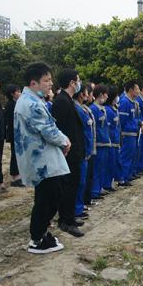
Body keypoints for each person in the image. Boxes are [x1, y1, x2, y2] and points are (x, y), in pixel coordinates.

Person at [14, 62, 70, 256]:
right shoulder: (31, 103)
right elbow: (48, 130)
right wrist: (65, 141)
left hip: (42, 159)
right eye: (46, 80)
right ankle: (37, 238)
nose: (50, 84)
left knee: (49, 196)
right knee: (48, 198)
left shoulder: (31, 100)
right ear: (33, 83)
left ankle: (41, 232)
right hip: (41, 160)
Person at [50, 69, 85, 238]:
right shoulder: (61, 101)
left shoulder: (68, 100)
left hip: (74, 151)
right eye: (78, 80)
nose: (79, 83)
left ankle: (69, 216)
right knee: (68, 186)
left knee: (73, 185)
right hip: (68, 152)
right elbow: (59, 129)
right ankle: (66, 220)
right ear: (72, 82)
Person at [73, 85, 94, 220]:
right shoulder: (77, 109)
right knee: (79, 181)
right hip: (81, 150)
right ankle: (76, 209)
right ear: (81, 94)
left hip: (86, 149)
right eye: (87, 92)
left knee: (82, 181)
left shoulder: (82, 109)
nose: (88, 95)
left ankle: (79, 207)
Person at [118, 81, 141, 186]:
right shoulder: (124, 102)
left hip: (133, 133)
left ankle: (127, 176)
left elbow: (134, 118)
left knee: (131, 156)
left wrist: (140, 123)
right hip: (127, 134)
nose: (139, 91)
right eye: (137, 89)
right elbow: (122, 120)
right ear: (131, 90)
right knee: (125, 156)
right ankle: (122, 179)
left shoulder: (133, 102)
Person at [90, 85, 110, 199]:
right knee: (97, 168)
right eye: (106, 94)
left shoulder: (103, 109)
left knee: (103, 167)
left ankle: (100, 187)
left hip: (105, 141)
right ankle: (94, 190)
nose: (107, 97)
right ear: (101, 95)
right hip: (98, 143)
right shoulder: (93, 109)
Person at [3, 85, 24, 188]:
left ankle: (18, 175)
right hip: (14, 133)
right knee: (15, 156)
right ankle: (15, 177)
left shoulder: (16, 103)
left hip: (18, 133)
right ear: (12, 94)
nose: (20, 93)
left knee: (18, 155)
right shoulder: (11, 105)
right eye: (18, 91)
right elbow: (12, 121)